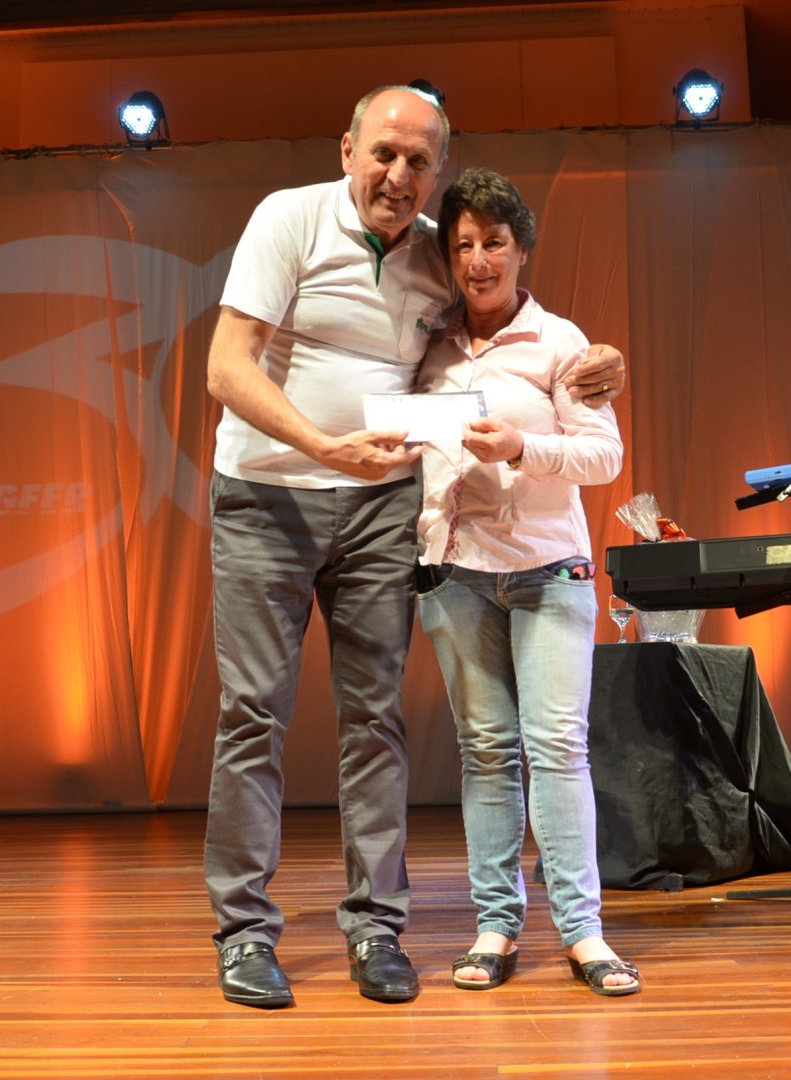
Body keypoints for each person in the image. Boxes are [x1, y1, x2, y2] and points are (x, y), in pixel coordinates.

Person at [202, 86, 625, 1009]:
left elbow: (508, 325)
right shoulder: (289, 218)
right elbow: (225, 367)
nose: (398, 174)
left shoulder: (439, 249)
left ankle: (375, 928)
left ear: (438, 168)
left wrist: (599, 365)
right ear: (347, 149)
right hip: (268, 500)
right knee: (253, 716)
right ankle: (245, 934)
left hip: (379, 511)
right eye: (383, 153)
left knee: (375, 720)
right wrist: (322, 447)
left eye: (419, 160)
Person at [414, 168, 640, 997]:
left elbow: (604, 456)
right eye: (463, 245)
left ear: (521, 250)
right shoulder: (427, 343)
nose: (478, 260)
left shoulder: (561, 343)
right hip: (456, 573)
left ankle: (584, 934)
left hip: (548, 570)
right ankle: (496, 925)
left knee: (557, 751)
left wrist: (522, 448)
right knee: (485, 755)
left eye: (494, 243)